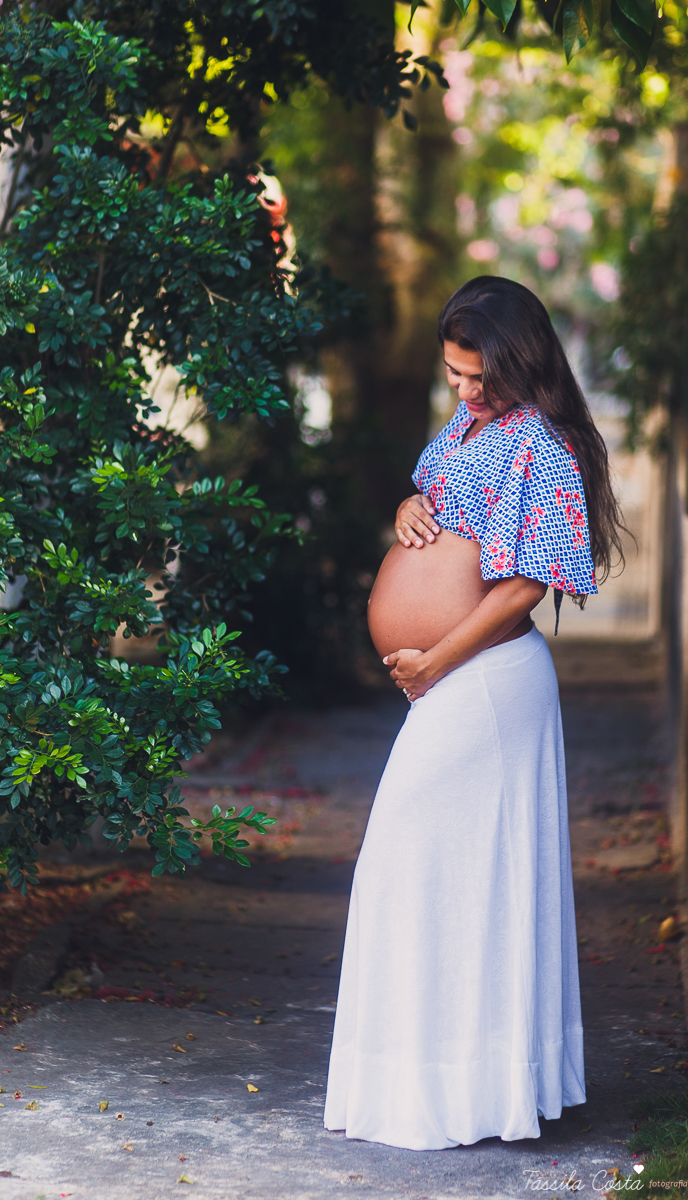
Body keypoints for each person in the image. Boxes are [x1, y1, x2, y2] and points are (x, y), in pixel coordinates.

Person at [322, 276, 625, 1151]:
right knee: (435, 877)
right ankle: (439, 1082)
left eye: (476, 376)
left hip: (488, 680)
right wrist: (406, 505)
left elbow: (528, 580)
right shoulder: (469, 428)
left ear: (518, 360)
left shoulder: (544, 445)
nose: (463, 390)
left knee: (422, 865)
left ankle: (468, 1087)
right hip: (454, 677)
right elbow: (429, 506)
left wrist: (435, 659)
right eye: (453, 375)